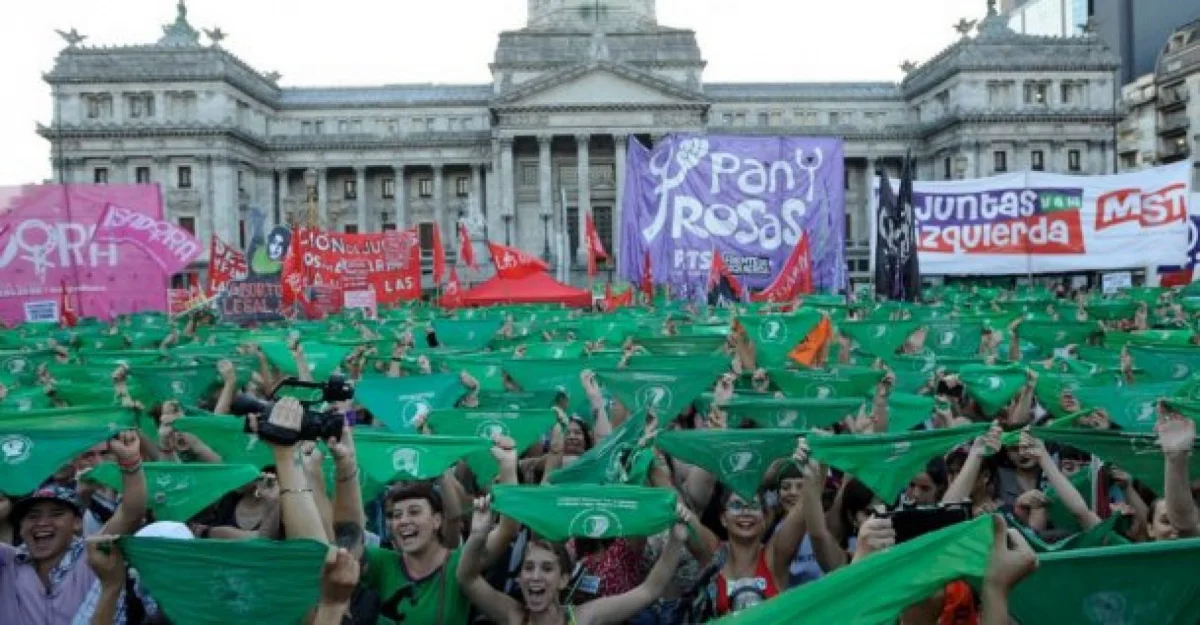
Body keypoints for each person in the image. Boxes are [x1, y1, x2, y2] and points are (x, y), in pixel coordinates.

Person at [456, 496, 689, 625]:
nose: (535, 576)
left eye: (547, 568)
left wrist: (676, 542)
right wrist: (478, 535)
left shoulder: (584, 617)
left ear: (563, 579)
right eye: (528, 568)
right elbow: (467, 579)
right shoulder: (513, 615)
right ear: (520, 578)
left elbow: (649, 591)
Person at [361, 441, 520, 624]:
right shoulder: (381, 563)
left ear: (437, 520)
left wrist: (507, 468)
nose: (403, 521)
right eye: (396, 515)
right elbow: (338, 545)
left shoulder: (459, 563)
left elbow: (507, 530)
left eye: (414, 512)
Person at [0, 430, 147, 624]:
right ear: (20, 527)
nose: (42, 523)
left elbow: (131, 513)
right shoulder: (7, 562)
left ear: (77, 523)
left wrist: (131, 463)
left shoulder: (92, 557)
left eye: (56, 514)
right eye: (33, 516)